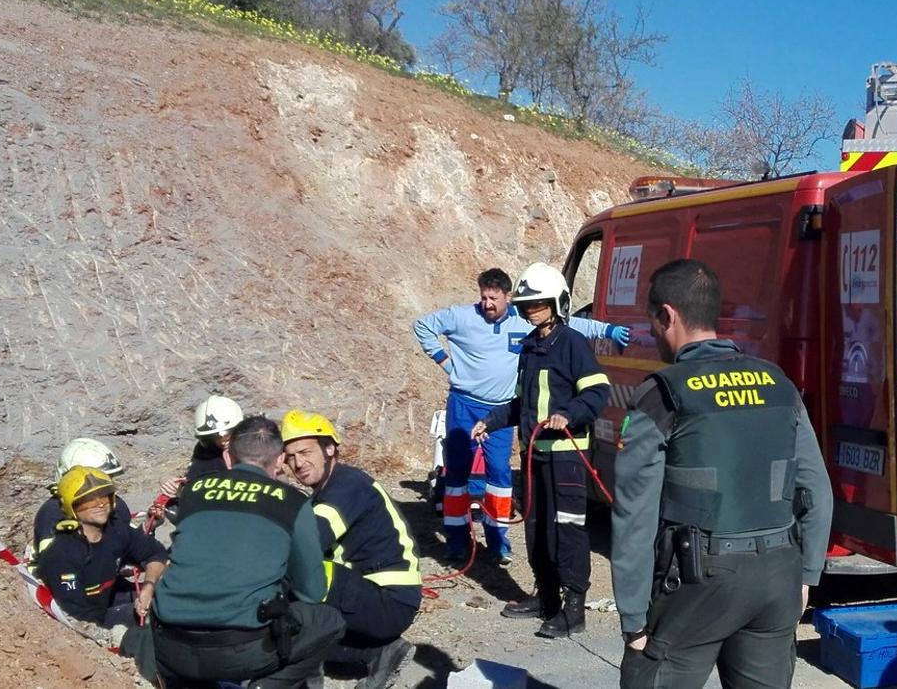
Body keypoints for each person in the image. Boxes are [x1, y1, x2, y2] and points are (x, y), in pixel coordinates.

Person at [611, 259, 834, 689]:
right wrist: (807, 576)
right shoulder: (778, 384)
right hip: (777, 578)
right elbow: (817, 492)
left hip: (699, 582)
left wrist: (635, 620)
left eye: (653, 320)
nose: (653, 332)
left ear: (667, 315)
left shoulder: (662, 393)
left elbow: (634, 516)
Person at [413, 267, 628, 565]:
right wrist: (449, 365)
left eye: (493, 298)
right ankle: (457, 541)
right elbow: (422, 326)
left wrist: (606, 330)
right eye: (483, 297)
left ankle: (499, 542)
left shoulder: (523, 317)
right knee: (456, 475)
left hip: (503, 410)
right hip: (464, 406)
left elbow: (568, 322)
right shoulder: (461, 316)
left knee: (500, 477)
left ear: (508, 297)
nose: (487, 303)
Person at [151, 415, 345, 688]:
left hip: (169, 646)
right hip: (240, 651)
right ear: (279, 461)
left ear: (229, 458)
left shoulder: (193, 492)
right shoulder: (292, 503)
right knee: (329, 621)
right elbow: (311, 592)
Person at [471, 262, 611, 638]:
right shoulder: (530, 348)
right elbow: (523, 404)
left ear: (557, 303)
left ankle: (574, 608)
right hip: (534, 455)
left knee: (567, 530)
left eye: (540, 304)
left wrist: (569, 414)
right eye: (528, 305)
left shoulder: (573, 344)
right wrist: (492, 420)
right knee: (536, 528)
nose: (533, 310)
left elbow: (598, 392)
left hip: (566, 455)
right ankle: (546, 596)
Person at [280, 410, 420, 689]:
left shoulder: (347, 485)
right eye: (291, 456)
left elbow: (311, 542)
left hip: (387, 600)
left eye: (306, 452)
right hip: (374, 595)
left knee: (297, 581)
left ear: (329, 448)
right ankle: (379, 653)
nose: (298, 463)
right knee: (293, 636)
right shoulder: (330, 489)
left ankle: (379, 652)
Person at [34, 466, 167, 628]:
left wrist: (148, 587)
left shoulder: (116, 530)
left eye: (104, 497)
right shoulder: (62, 555)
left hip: (106, 601)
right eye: (89, 500)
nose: (100, 505)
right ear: (71, 506)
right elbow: (80, 618)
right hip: (89, 621)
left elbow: (156, 553)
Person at [31, 437, 132, 565]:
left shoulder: (116, 505)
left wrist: (149, 525)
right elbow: (55, 563)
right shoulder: (53, 513)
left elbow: (134, 545)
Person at [157, 394, 244, 500]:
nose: (222, 441)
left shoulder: (257, 448)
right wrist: (171, 483)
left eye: (227, 434)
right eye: (213, 437)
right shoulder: (206, 452)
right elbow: (193, 481)